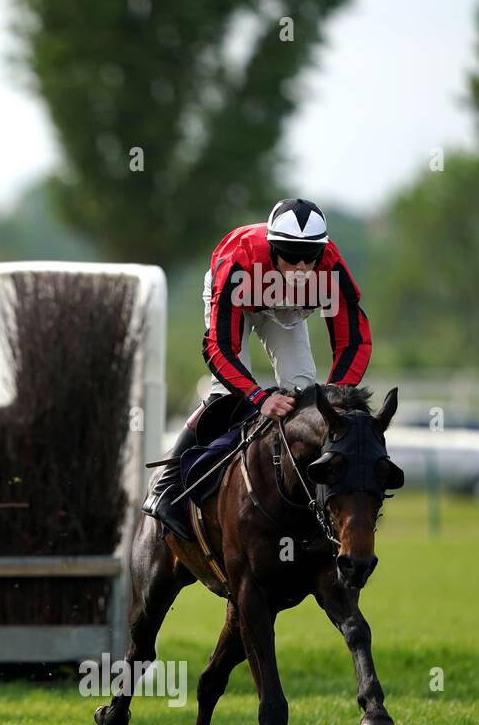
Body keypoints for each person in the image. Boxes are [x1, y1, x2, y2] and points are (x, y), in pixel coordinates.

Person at [143, 197, 372, 539]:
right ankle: (166, 486)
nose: (302, 267)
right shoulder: (239, 261)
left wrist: (333, 396)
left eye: (310, 256)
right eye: (291, 255)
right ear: (273, 248)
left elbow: (354, 342)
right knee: (225, 394)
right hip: (239, 299)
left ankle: (304, 495)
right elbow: (218, 348)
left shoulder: (331, 266)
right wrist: (258, 397)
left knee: (305, 394)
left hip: (286, 309)